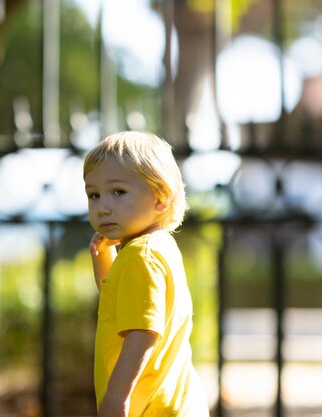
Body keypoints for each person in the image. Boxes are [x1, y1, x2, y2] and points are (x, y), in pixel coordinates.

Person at [83, 131, 210, 417]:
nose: (103, 207)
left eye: (118, 192)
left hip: (150, 408)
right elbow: (121, 306)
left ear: (160, 198)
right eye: (94, 195)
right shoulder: (158, 247)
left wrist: (117, 397)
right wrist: (103, 255)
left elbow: (142, 331)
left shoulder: (142, 255)